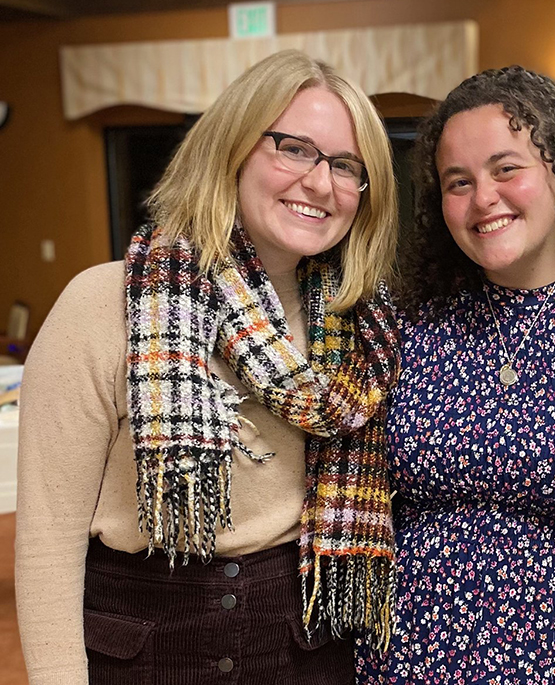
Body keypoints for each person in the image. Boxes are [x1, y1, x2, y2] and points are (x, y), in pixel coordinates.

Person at [16, 49, 400, 685]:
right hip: (143, 647)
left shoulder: (363, 325)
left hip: (307, 648)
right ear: (233, 149)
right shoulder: (103, 304)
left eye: (345, 166)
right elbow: (47, 543)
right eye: (293, 148)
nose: (319, 182)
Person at [357, 66, 555, 683]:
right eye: (458, 182)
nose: (483, 199)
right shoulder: (405, 327)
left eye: (507, 169)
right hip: (404, 663)